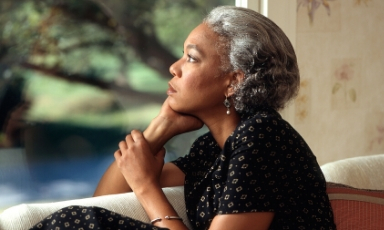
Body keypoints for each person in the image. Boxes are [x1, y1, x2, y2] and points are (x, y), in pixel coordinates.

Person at [30, 5, 336, 230]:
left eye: (191, 58)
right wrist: (159, 129)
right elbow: (102, 199)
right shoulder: (211, 149)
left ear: (233, 81)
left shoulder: (263, 137)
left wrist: (148, 188)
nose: (173, 68)